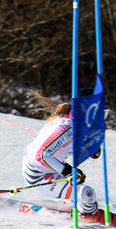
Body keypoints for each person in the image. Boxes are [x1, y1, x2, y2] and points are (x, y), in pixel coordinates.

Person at [22, 90, 106, 219]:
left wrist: (89, 147)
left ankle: (73, 205)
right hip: (38, 176)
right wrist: (68, 171)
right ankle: (89, 218)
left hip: (50, 168)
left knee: (81, 192)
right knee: (86, 193)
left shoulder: (74, 122)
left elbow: (67, 145)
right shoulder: (67, 127)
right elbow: (41, 155)